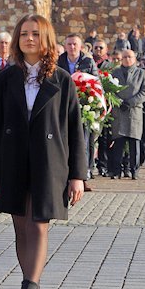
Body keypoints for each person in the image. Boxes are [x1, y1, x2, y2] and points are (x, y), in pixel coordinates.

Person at [0, 13, 86, 289]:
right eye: (24, 33)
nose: (29, 38)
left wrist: (77, 175)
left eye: (35, 33)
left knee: (39, 226)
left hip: (49, 162)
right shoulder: (6, 78)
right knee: (21, 229)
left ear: (46, 39)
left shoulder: (62, 80)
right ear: (17, 39)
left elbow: (74, 130)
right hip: (12, 161)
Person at [58, 34, 98, 189]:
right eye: (69, 44)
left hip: (83, 106)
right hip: (63, 106)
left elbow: (96, 81)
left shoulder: (88, 61)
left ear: (80, 46)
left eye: (75, 44)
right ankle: (66, 174)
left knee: (84, 140)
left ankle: (84, 174)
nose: (72, 47)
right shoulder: (59, 61)